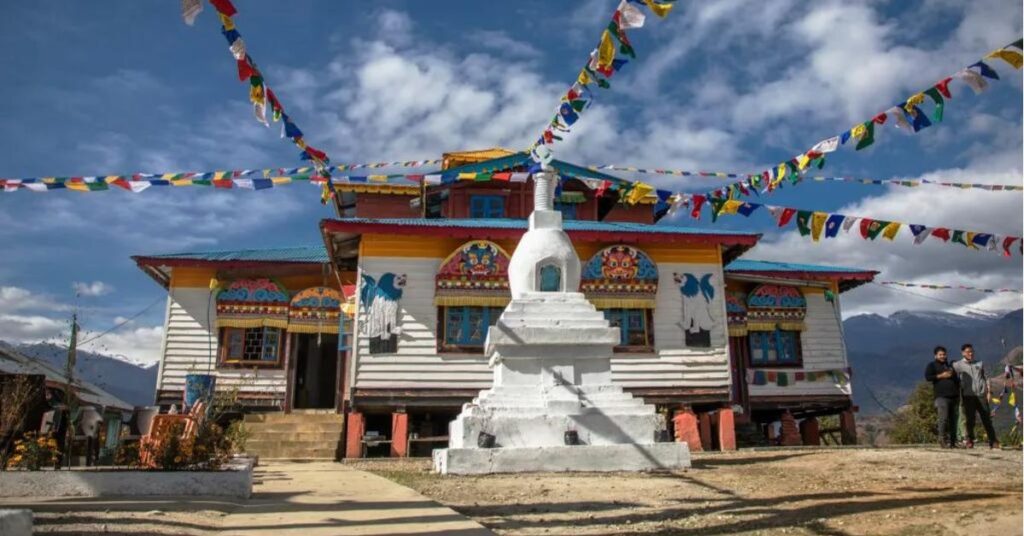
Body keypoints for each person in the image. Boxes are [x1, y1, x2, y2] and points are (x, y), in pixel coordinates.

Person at [953, 343, 1000, 449]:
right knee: (970, 419)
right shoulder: (958, 365)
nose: (971, 353)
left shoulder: (979, 363)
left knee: (986, 418)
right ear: (963, 353)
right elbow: (952, 376)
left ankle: (993, 441)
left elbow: (986, 377)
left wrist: (989, 391)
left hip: (981, 395)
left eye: (972, 351)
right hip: (968, 396)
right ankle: (969, 440)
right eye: (968, 351)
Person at [924, 346, 959, 448]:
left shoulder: (950, 365)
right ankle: (942, 440)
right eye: (940, 354)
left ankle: (953, 442)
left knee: (953, 420)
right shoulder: (932, 365)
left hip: (954, 396)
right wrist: (941, 376)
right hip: (941, 397)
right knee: (943, 419)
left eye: (944, 354)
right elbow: (928, 377)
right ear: (935, 355)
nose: (942, 356)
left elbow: (957, 379)